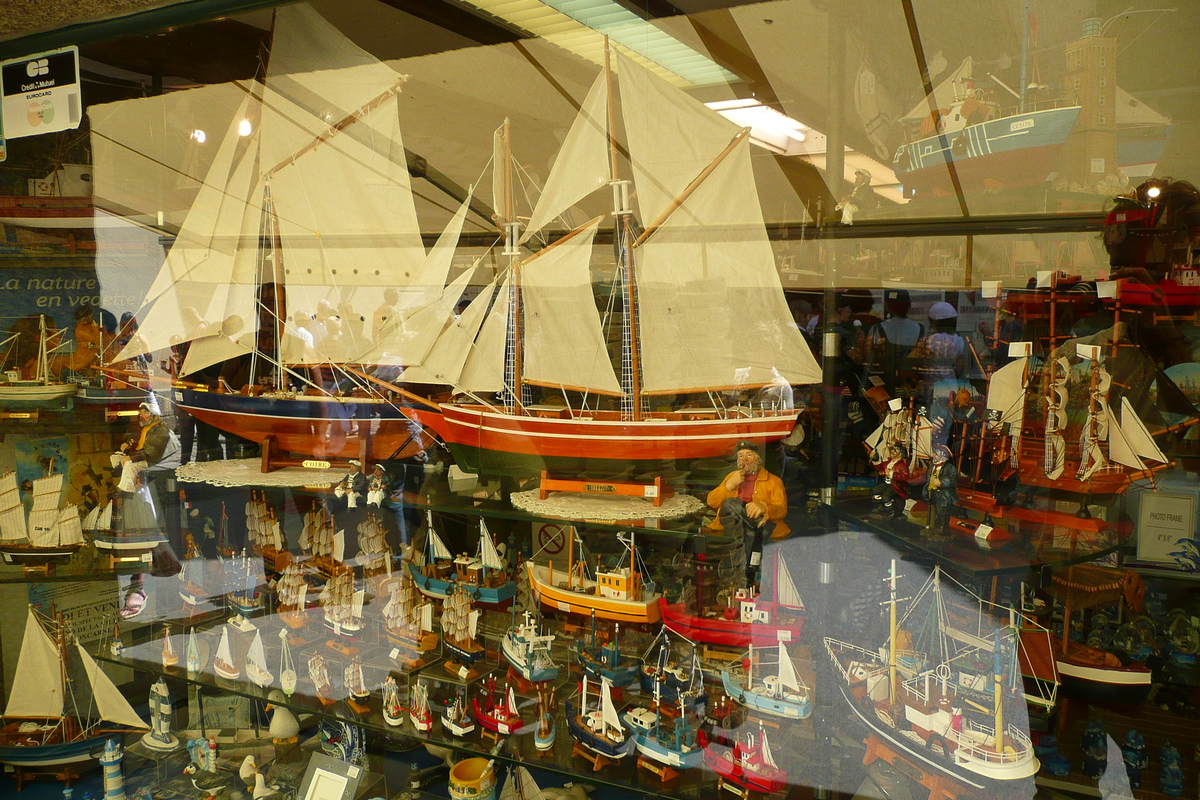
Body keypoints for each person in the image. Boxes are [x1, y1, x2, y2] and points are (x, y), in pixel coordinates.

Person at [115, 399, 181, 618]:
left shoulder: (159, 431)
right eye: (140, 413)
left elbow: (152, 453)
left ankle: (140, 583)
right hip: (144, 481)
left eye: (145, 413)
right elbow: (142, 447)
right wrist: (129, 447)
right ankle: (139, 583)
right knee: (139, 528)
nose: (141, 416)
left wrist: (132, 456)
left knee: (145, 527)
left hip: (156, 469)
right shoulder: (147, 430)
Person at [706, 441, 789, 586]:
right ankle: (755, 527)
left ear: (758, 458)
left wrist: (764, 507)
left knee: (748, 534)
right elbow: (711, 501)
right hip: (747, 526)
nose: (744, 460)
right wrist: (729, 485)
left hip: (742, 533)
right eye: (741, 456)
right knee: (729, 504)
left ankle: (745, 576)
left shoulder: (773, 481)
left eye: (749, 455)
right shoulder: (732, 477)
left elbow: (782, 509)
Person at [922, 444, 958, 537]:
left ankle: (942, 529)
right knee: (933, 511)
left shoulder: (950, 468)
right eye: (934, 453)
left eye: (936, 454)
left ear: (943, 455)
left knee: (942, 512)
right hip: (932, 492)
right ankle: (932, 526)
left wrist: (941, 482)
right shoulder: (932, 467)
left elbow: (954, 481)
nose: (934, 455)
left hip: (944, 494)